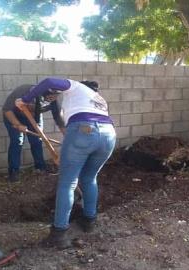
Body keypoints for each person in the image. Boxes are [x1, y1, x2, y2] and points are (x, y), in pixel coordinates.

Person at [15, 78, 116, 249]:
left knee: (67, 183)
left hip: (84, 129)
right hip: (109, 135)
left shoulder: (76, 86)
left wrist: (24, 99)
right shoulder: (98, 99)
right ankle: (89, 221)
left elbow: (48, 81)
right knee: (89, 178)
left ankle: (59, 235)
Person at [2, 84, 65, 182]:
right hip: (14, 115)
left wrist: (68, 137)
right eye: (52, 95)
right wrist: (18, 125)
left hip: (34, 117)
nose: (54, 97)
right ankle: (14, 172)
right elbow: (6, 109)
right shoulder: (24, 91)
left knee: (37, 141)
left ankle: (40, 167)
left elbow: (59, 121)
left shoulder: (54, 102)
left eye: (56, 95)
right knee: (17, 142)